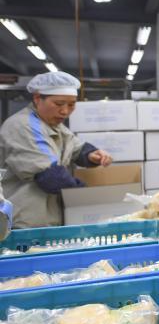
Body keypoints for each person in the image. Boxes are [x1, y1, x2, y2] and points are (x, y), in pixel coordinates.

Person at [0, 71, 113, 228]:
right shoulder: (22, 125)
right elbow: (50, 176)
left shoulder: (53, 124)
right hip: (24, 222)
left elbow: (74, 146)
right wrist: (92, 196)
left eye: (71, 105)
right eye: (59, 104)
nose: (65, 111)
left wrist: (91, 154)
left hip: (48, 218)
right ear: (38, 98)